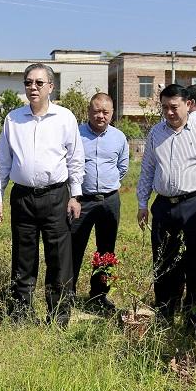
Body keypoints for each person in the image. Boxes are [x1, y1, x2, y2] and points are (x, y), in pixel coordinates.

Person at [0, 63, 85, 327]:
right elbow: (2, 160)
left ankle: (58, 316)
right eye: (28, 82)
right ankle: (21, 314)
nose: (33, 87)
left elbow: (76, 159)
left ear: (50, 87)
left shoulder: (65, 118)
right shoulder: (13, 119)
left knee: (59, 258)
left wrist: (75, 195)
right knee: (23, 255)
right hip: (22, 198)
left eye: (39, 83)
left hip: (56, 197)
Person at [136, 84, 196, 334]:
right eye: (164, 107)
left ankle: (193, 316)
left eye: (174, 107)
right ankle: (165, 312)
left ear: (188, 104)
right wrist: (143, 203)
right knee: (164, 261)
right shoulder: (156, 133)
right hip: (164, 206)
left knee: (195, 262)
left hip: (195, 204)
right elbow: (147, 170)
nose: (169, 112)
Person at [70, 93, 129, 313]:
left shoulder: (119, 137)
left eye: (105, 112)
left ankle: (99, 295)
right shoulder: (75, 134)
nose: (100, 116)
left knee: (106, 250)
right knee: (74, 247)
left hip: (109, 200)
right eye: (96, 111)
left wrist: (107, 183)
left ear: (112, 113)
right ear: (88, 111)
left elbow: (122, 167)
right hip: (81, 201)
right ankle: (68, 293)